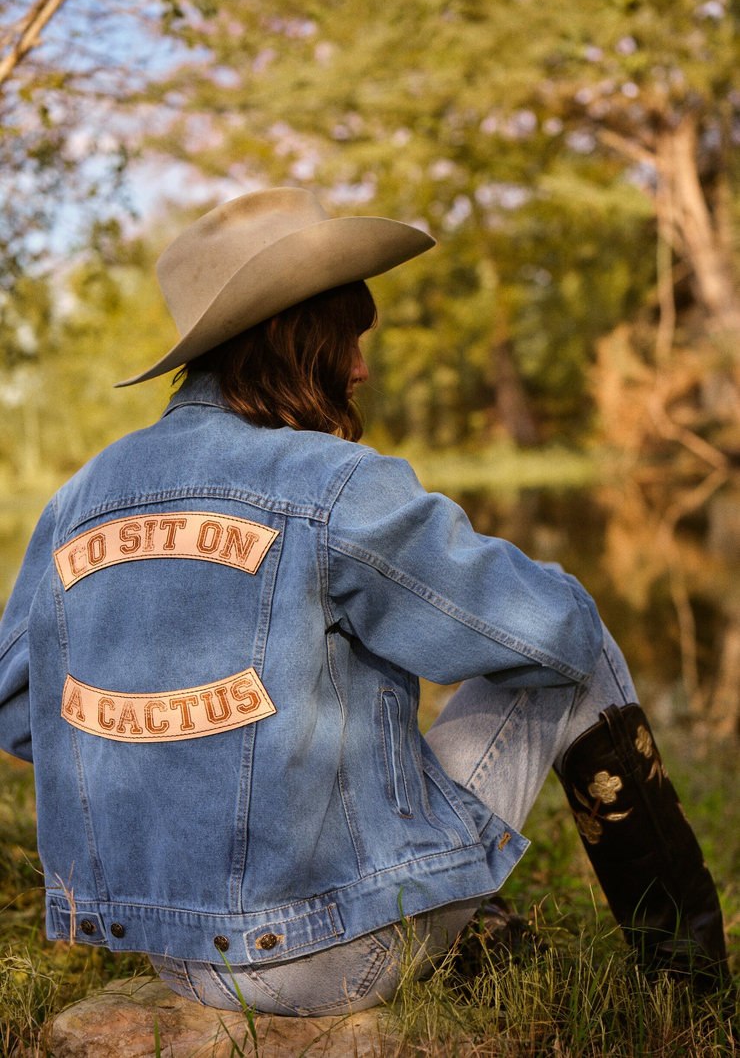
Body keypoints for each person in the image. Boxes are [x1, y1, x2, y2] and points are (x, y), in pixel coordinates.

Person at [0, 188, 728, 1016]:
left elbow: (18, 705)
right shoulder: (333, 482)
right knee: (580, 637)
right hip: (333, 954)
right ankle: (693, 988)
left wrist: (172, 768)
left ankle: (473, 921)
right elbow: (548, 628)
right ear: (290, 336)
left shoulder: (79, 496)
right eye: (348, 336)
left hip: (176, 954)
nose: (360, 367)